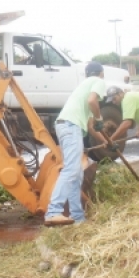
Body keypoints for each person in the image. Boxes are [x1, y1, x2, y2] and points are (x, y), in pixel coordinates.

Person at [44, 61, 108, 226]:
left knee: (76, 173)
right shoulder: (99, 82)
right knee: (71, 170)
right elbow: (92, 101)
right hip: (71, 127)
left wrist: (107, 142)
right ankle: (53, 212)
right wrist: (100, 117)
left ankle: (77, 218)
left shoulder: (83, 86)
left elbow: (90, 127)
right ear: (101, 73)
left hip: (65, 126)